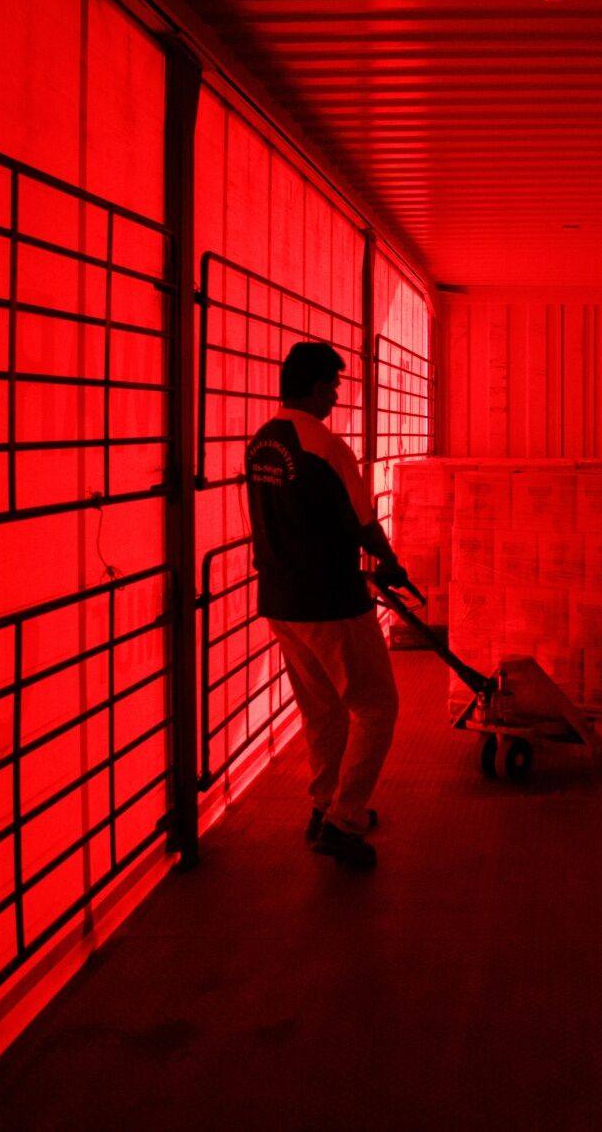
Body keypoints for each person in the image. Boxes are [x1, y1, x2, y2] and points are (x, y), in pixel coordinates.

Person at [244, 341, 410, 869]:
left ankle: (324, 807)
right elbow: (364, 523)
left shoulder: (262, 443)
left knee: (322, 711)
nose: (337, 396)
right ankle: (342, 821)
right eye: (334, 386)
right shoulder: (325, 445)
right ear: (316, 387)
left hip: (280, 600)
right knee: (378, 706)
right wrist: (391, 565)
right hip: (330, 602)